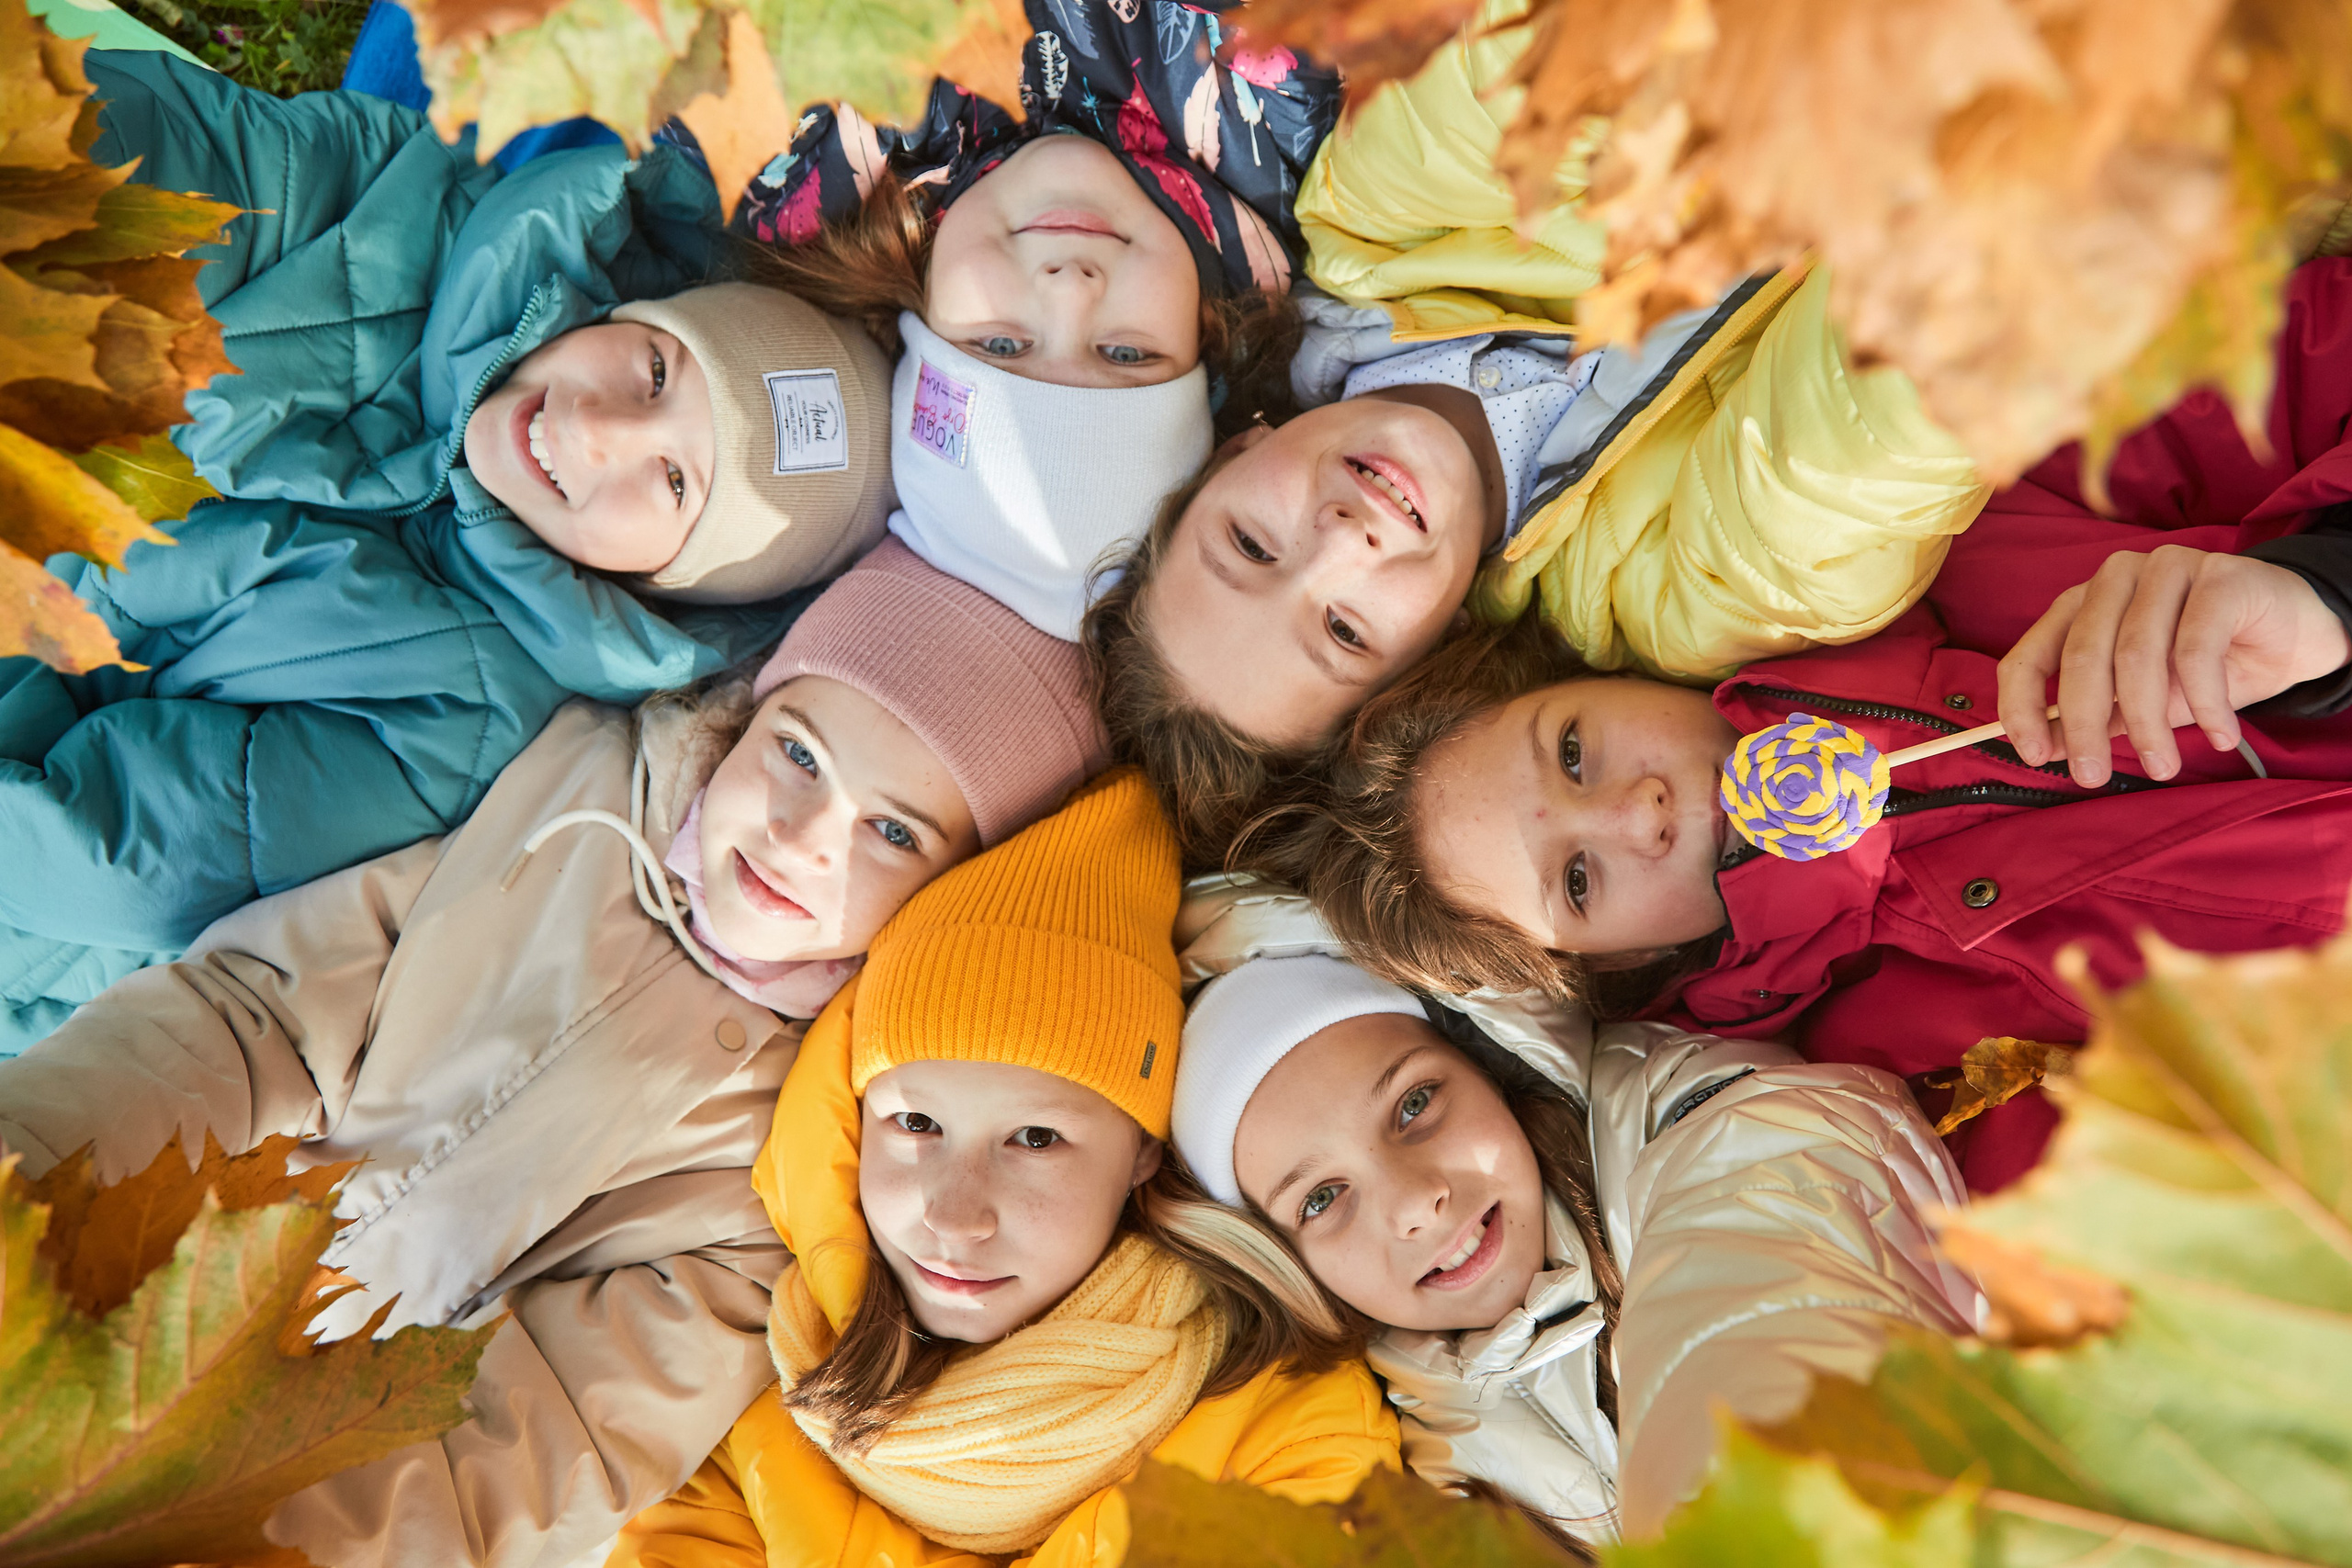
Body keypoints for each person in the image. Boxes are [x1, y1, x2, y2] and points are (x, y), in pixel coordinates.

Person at [0, 543, 1101, 1567]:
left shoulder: (796, 1149)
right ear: (747, 716)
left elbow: (552, 1433)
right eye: (798, 754)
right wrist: (27, 1158)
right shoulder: (566, 787)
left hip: (309, 1439)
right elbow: (253, 1019)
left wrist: (249, 1538)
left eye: (894, 832)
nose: (803, 832)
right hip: (165, 1211)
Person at [0, 48, 895, 1053]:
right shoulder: (407, 222)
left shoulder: (464, 710)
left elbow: (129, 862)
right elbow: (178, 156)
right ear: (637, 311)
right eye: (654, 370)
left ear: (664, 584)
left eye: (676, 483)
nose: (599, 429)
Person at [1279, 377, 2352, 1189]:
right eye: (1576, 880)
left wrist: (2322, 591)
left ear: (1605, 676)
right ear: (1628, 962)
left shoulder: (1968, 538)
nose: (1634, 812)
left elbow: (2308, 358)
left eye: (1572, 751)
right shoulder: (1901, 1073)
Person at [1080, 0, 1987, 863]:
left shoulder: (1369, 227)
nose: (1337, 544)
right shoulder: (1664, 597)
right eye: (1346, 630)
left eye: (1248, 542)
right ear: (1424, 679)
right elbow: (1866, 445)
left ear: (1233, 450)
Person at [610, 770, 1399, 1567]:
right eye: (915, 1123)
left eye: (1034, 1138)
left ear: (1142, 1153)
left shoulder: (1288, 1429)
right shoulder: (758, 1403)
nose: (954, 1216)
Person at [1164, 908, 1978, 1545]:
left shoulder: (1696, 1119)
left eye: (1415, 1103)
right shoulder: (1424, 1467)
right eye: (1320, 1198)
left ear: (1489, 1066)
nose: (1416, 1203)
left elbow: (1765, 1297)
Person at [743, 0, 1338, 645]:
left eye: (1001, 345)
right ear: (1203, 340)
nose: (1070, 289)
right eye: (1125, 354)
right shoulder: (1280, 131)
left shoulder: (813, 172)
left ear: (922, 321)